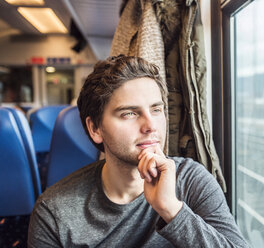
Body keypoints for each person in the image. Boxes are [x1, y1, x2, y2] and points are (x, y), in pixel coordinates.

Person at [28, 55, 249, 247]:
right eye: (129, 114)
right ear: (95, 129)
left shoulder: (191, 180)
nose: (151, 125)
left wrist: (171, 210)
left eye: (156, 109)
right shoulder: (54, 211)